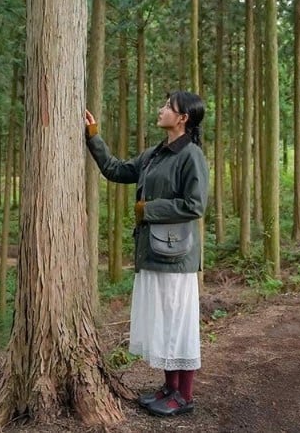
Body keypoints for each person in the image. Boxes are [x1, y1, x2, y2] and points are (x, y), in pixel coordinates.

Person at [84, 91, 208, 416]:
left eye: (168, 107)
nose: (161, 109)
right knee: (163, 324)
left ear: (183, 118)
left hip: (177, 259)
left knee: (178, 325)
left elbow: (195, 205)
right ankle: (169, 388)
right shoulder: (155, 154)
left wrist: (149, 209)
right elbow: (115, 170)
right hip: (152, 252)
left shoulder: (191, 155)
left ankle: (185, 396)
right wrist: (93, 136)